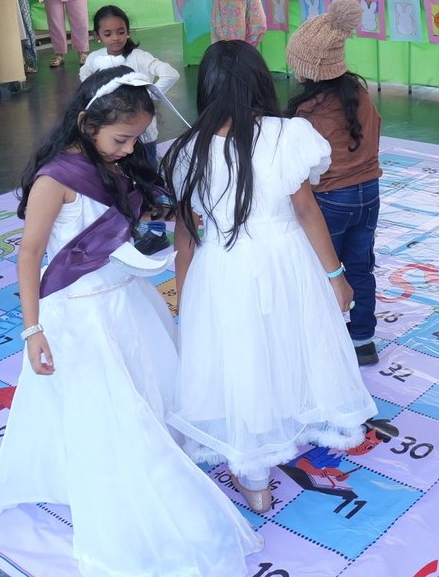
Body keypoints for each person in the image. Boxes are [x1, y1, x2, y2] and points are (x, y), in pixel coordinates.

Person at [0, 68, 260, 577]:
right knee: (111, 412)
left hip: (129, 302)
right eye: (121, 138)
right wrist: (32, 329)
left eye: (136, 139)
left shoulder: (113, 164)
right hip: (80, 315)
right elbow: (29, 257)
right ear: (86, 122)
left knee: (147, 392)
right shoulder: (56, 178)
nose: (129, 149)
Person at [161, 41, 378, 514]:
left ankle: (254, 477)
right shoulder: (288, 135)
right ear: (261, 81)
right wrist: (336, 275)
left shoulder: (187, 150)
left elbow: (185, 237)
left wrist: (185, 296)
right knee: (287, 343)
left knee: (243, 356)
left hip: (223, 267)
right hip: (286, 260)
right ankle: (283, 428)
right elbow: (306, 211)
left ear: (207, 88)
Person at [285, 0, 383, 367]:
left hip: (330, 198)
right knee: (360, 267)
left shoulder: (306, 111)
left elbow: (302, 168)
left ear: (306, 69)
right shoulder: (359, 94)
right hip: (369, 194)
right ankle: (363, 340)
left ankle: (322, 340)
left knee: (323, 268)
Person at [80, 4, 181, 169]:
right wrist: (97, 99)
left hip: (143, 133)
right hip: (111, 131)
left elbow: (171, 74)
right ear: (97, 35)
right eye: (108, 34)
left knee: (148, 169)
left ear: (128, 31)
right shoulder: (94, 58)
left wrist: (147, 97)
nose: (115, 38)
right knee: (115, 170)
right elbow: (84, 76)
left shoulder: (139, 57)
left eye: (121, 32)